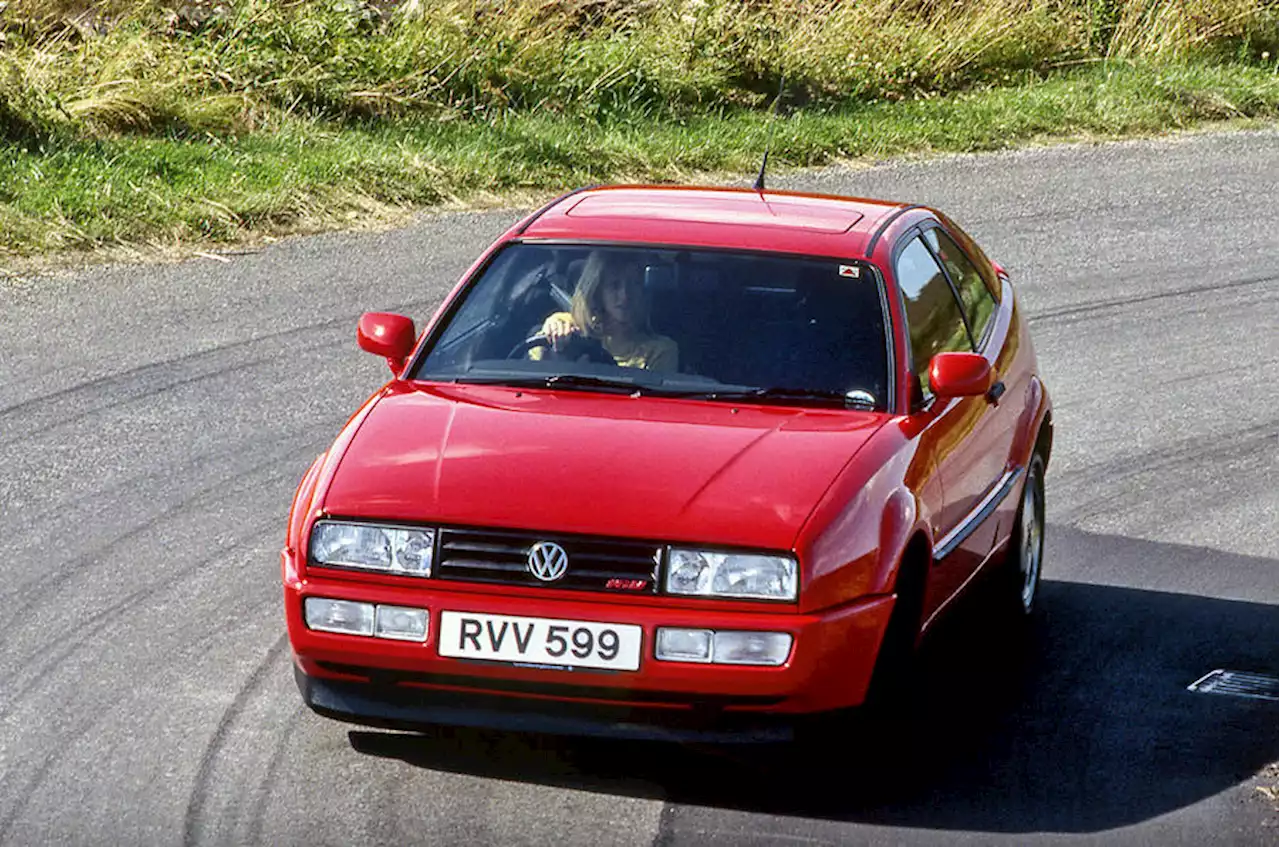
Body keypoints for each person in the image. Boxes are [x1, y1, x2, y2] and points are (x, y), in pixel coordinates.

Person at [532, 251, 678, 372]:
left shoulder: (660, 351)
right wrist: (554, 337)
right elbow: (529, 369)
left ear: (644, 291)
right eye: (614, 286)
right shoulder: (569, 325)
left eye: (635, 284)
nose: (625, 295)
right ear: (597, 292)